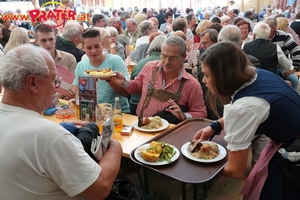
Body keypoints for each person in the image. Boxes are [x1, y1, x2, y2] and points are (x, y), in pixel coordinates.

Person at [0, 44, 122, 199]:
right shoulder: (49, 136)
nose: (56, 89)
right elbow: (100, 189)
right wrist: (115, 147)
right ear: (33, 83)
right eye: (54, 80)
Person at [194, 41, 300, 199]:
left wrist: (201, 167)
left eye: (207, 75)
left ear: (225, 76)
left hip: (293, 152)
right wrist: (215, 126)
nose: (203, 80)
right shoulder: (256, 73)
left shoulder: (245, 107)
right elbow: (246, 107)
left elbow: (236, 169)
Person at [111, 36, 207, 123]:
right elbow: (135, 87)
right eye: (164, 56)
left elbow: (201, 113)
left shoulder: (192, 84)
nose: (166, 62)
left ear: (183, 57)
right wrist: (124, 81)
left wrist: (184, 115)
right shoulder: (150, 67)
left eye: (173, 58)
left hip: (171, 132)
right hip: (142, 126)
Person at [69, 28, 130, 113]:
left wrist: (109, 79)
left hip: (117, 112)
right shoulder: (81, 65)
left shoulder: (116, 61)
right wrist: (70, 92)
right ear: (83, 48)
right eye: (89, 48)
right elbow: (75, 90)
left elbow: (126, 92)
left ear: (102, 44)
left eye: (97, 46)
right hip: (91, 112)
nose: (93, 51)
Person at [129, 34, 166, 115]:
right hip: (145, 108)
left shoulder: (142, 62)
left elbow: (133, 82)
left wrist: (124, 81)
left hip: (133, 105)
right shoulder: (164, 64)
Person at [264, 17, 300, 90]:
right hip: (265, 67)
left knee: (294, 80)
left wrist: (294, 67)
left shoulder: (284, 36)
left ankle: (293, 99)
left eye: (266, 28)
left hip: (281, 67)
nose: (264, 30)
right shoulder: (261, 36)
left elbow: (297, 50)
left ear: (274, 28)